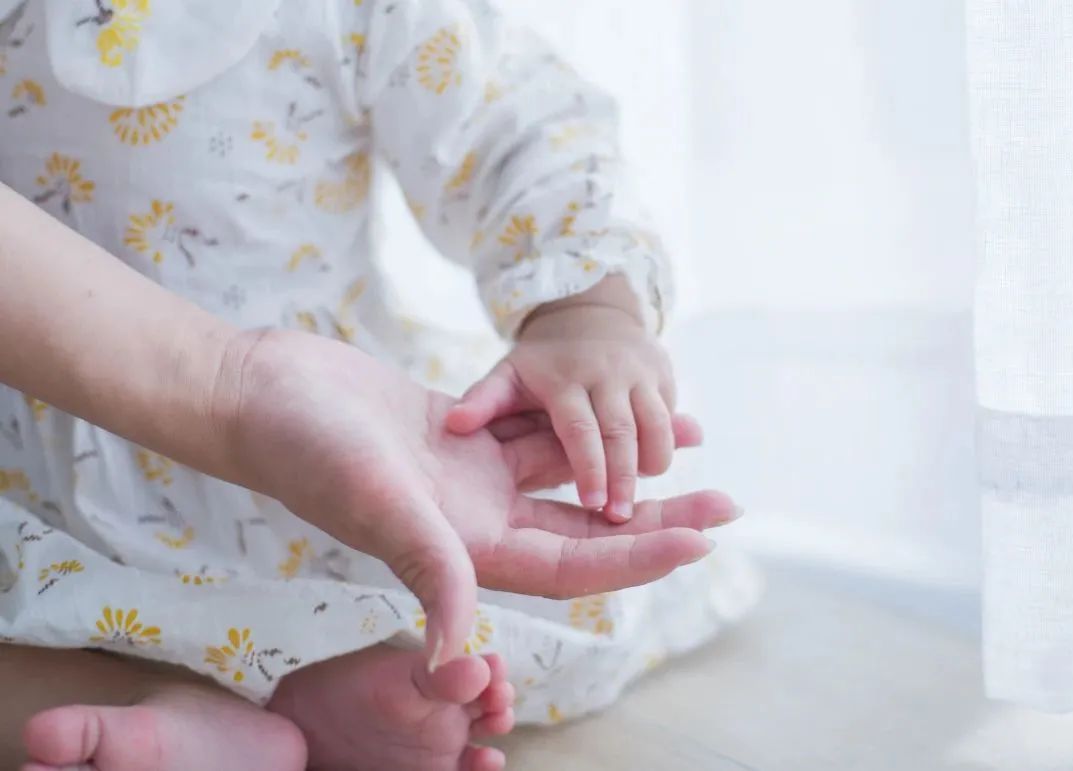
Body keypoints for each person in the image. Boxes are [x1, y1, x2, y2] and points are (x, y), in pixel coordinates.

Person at [0, 1, 758, 768]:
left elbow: (517, 120)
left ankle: (311, 681)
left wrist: (584, 309)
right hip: (31, 459)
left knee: (427, 585)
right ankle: (180, 705)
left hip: (310, 457)